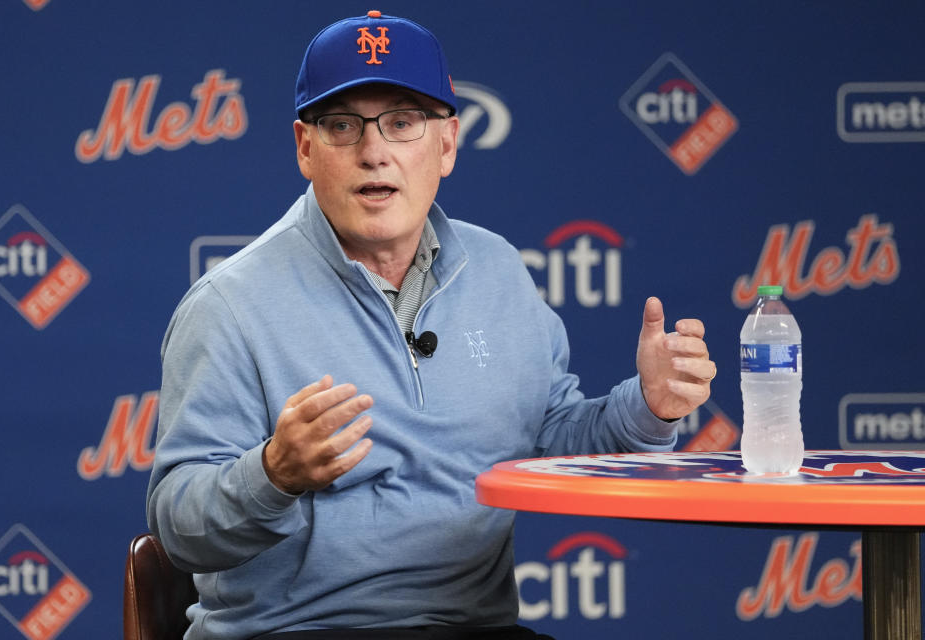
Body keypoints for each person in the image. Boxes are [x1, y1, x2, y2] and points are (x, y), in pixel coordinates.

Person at [147, 10, 716, 640]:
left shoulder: (497, 269)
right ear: (305, 148)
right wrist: (274, 472)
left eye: (402, 123)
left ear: (446, 144)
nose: (374, 152)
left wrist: (650, 408)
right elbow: (178, 528)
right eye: (343, 126)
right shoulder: (229, 304)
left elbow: (555, 443)